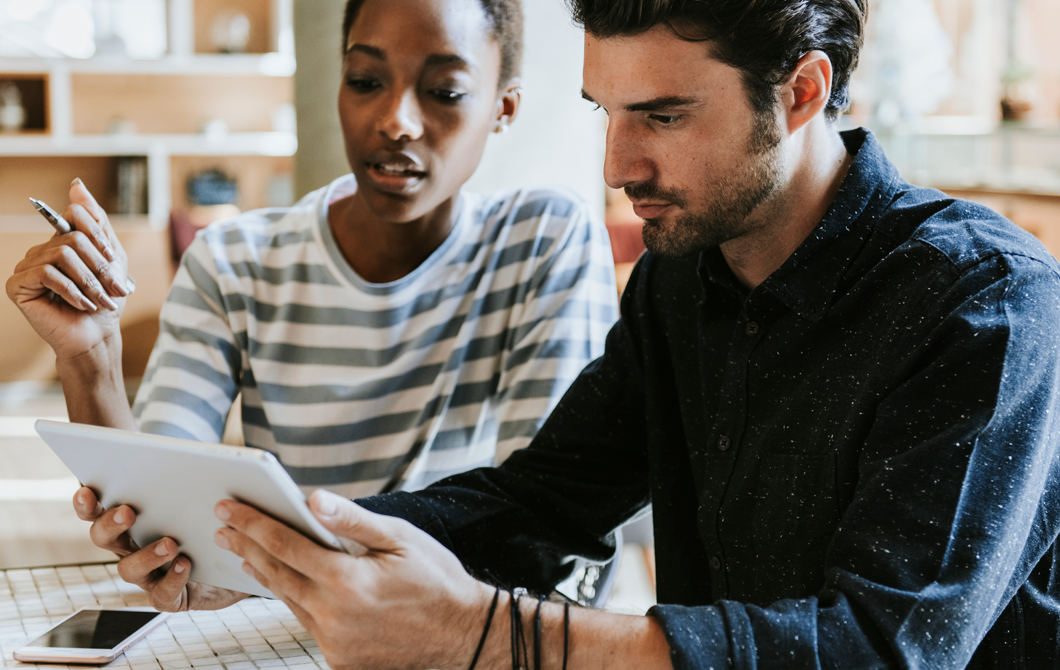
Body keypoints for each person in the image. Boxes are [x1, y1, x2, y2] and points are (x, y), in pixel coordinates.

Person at [46, 0, 1060, 667]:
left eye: (661, 116)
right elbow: (546, 500)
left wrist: (478, 631)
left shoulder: (986, 304)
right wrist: (278, 543)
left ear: (799, 92)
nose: (617, 162)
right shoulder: (684, 277)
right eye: (605, 113)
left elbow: (882, 648)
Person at [6, 0, 619, 499]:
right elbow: (164, 508)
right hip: (289, 621)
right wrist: (91, 359)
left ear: (502, 109)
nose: (396, 121)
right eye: (365, 81)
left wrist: (288, 551)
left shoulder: (544, 240)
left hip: (458, 621)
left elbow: (543, 514)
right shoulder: (233, 261)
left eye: (446, 92)